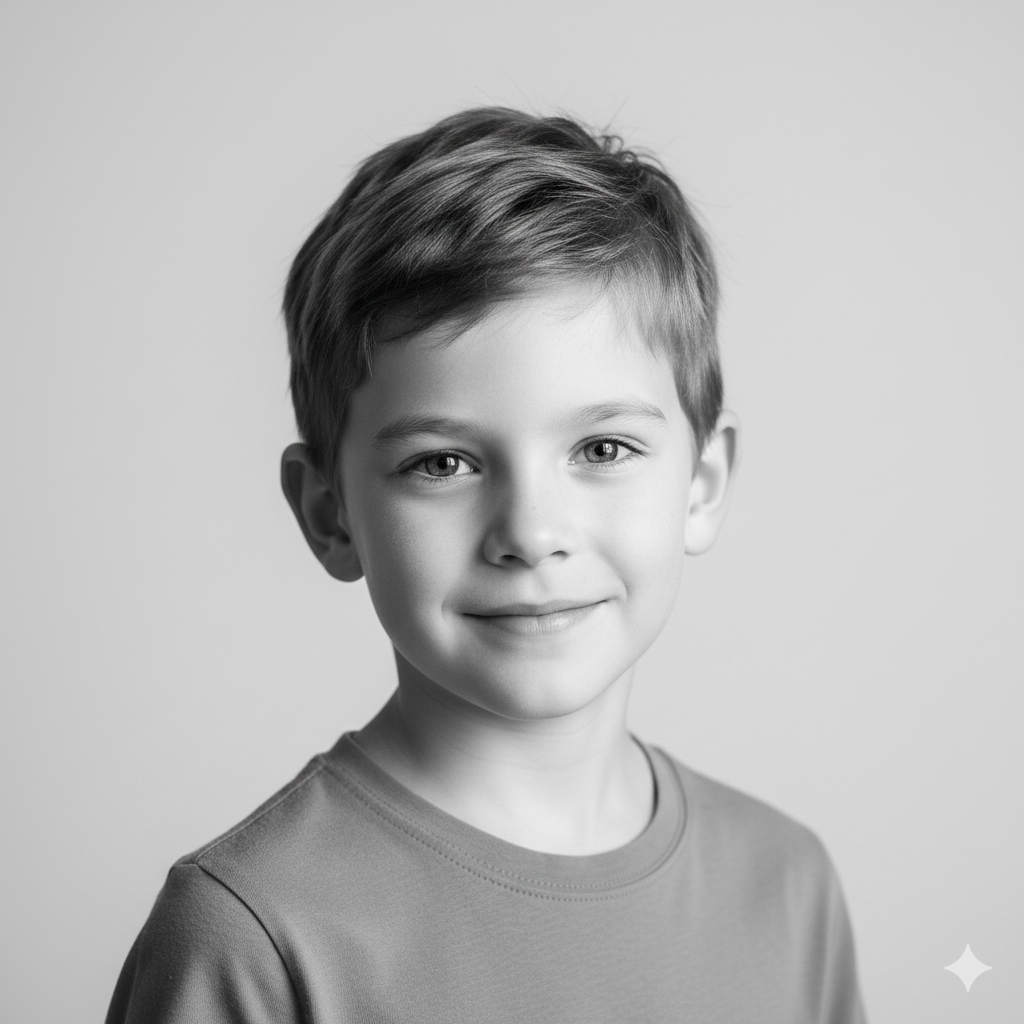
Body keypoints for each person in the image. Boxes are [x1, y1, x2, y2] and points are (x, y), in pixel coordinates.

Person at [106, 107, 866, 1023]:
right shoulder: (252, 939)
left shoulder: (787, 887)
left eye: (603, 449)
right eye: (443, 464)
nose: (531, 533)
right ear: (329, 513)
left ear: (702, 482)